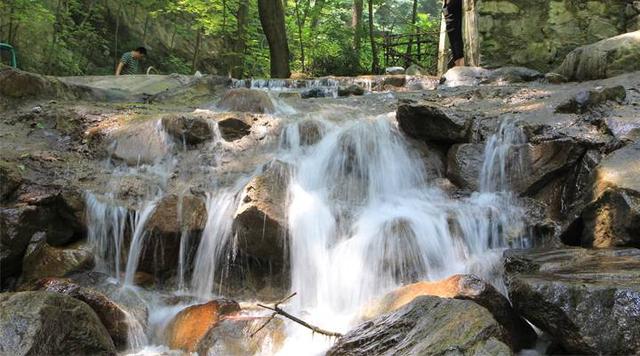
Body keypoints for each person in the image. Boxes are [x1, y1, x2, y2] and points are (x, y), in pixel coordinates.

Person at [443, 0, 465, 68]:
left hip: (458, 27)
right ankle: (459, 70)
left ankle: (462, 71)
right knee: (455, 52)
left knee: (459, 51)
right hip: (450, 29)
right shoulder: (445, 2)